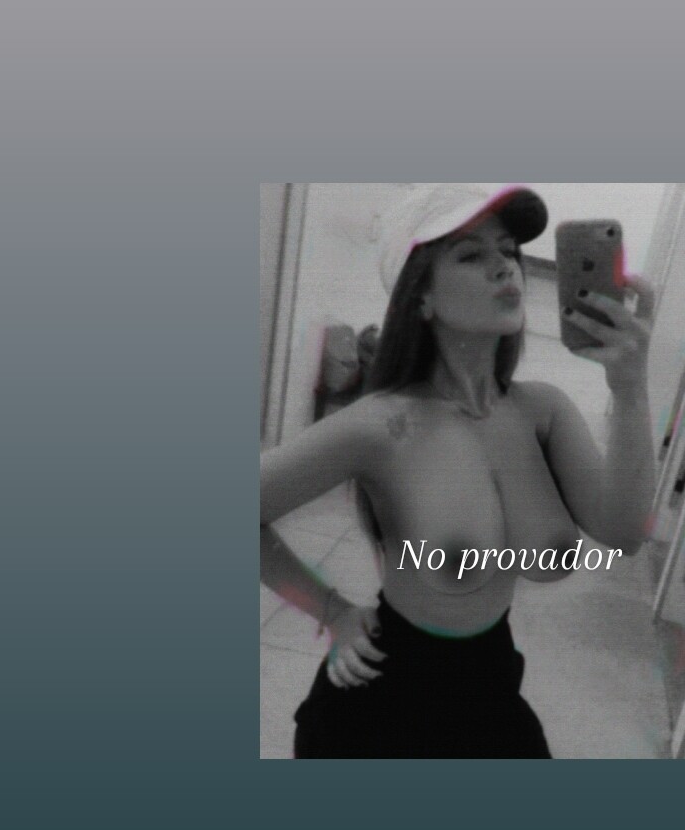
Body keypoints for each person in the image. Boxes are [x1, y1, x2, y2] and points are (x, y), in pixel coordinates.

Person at [260, 185, 656, 758]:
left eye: (508, 251)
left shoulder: (543, 412)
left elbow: (624, 533)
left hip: (492, 688)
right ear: (420, 297)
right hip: (378, 709)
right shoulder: (384, 425)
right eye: (471, 255)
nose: (505, 267)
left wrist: (630, 385)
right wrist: (333, 612)